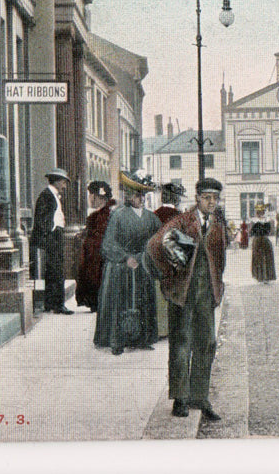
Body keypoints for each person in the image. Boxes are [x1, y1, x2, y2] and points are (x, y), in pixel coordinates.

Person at [145, 177, 227, 421]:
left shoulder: (218, 225)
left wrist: (217, 287)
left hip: (205, 295)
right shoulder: (181, 221)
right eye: (207, 197)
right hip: (182, 294)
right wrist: (168, 274)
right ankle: (180, 399)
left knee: (207, 343)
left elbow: (221, 259)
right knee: (181, 345)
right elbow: (154, 246)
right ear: (197, 198)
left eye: (215, 198)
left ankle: (199, 398)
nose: (212, 202)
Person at [94, 170, 161, 355]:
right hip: (121, 267)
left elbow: (158, 240)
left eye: (142, 195)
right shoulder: (118, 216)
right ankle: (117, 341)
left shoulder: (151, 217)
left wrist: (147, 256)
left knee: (143, 302)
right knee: (120, 303)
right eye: (136, 195)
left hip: (142, 265)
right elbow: (108, 245)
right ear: (128, 196)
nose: (140, 198)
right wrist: (125, 258)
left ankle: (142, 339)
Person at [33, 168, 73, 314]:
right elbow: (41, 218)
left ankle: (51, 303)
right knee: (56, 270)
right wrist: (49, 233)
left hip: (55, 236)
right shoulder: (47, 196)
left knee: (54, 270)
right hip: (52, 237)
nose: (65, 186)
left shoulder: (52, 195)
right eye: (63, 182)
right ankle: (57, 304)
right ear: (56, 181)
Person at [75, 181, 115, 312]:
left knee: (96, 276)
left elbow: (102, 235)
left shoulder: (105, 215)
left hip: (98, 254)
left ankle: (97, 302)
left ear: (99, 197)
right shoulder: (98, 214)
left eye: (91, 195)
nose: (90, 199)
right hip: (93, 253)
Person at [153, 182, 184, 338]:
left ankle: (161, 328)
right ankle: (175, 329)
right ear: (176, 198)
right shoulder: (179, 216)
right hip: (174, 260)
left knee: (159, 294)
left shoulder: (154, 214)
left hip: (158, 259)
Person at [250, 204, 277, 283]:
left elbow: (252, 232)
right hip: (265, 240)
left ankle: (260, 276)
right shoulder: (267, 220)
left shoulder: (254, 221)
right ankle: (266, 276)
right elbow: (270, 231)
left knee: (259, 259)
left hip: (258, 240)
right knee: (266, 258)